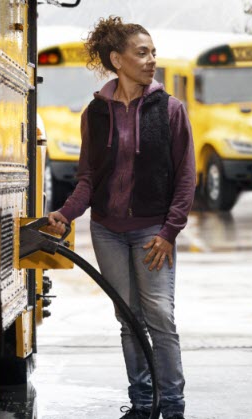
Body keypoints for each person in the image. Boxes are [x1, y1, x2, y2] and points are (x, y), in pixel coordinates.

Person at [47, 16, 195, 419]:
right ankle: (143, 402)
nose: (151, 60)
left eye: (153, 52)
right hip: (108, 231)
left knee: (160, 317)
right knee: (129, 319)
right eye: (142, 52)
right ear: (117, 59)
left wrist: (170, 231)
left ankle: (174, 405)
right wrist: (64, 213)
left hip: (153, 231)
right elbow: (88, 179)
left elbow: (185, 177)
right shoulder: (95, 113)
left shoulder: (170, 110)